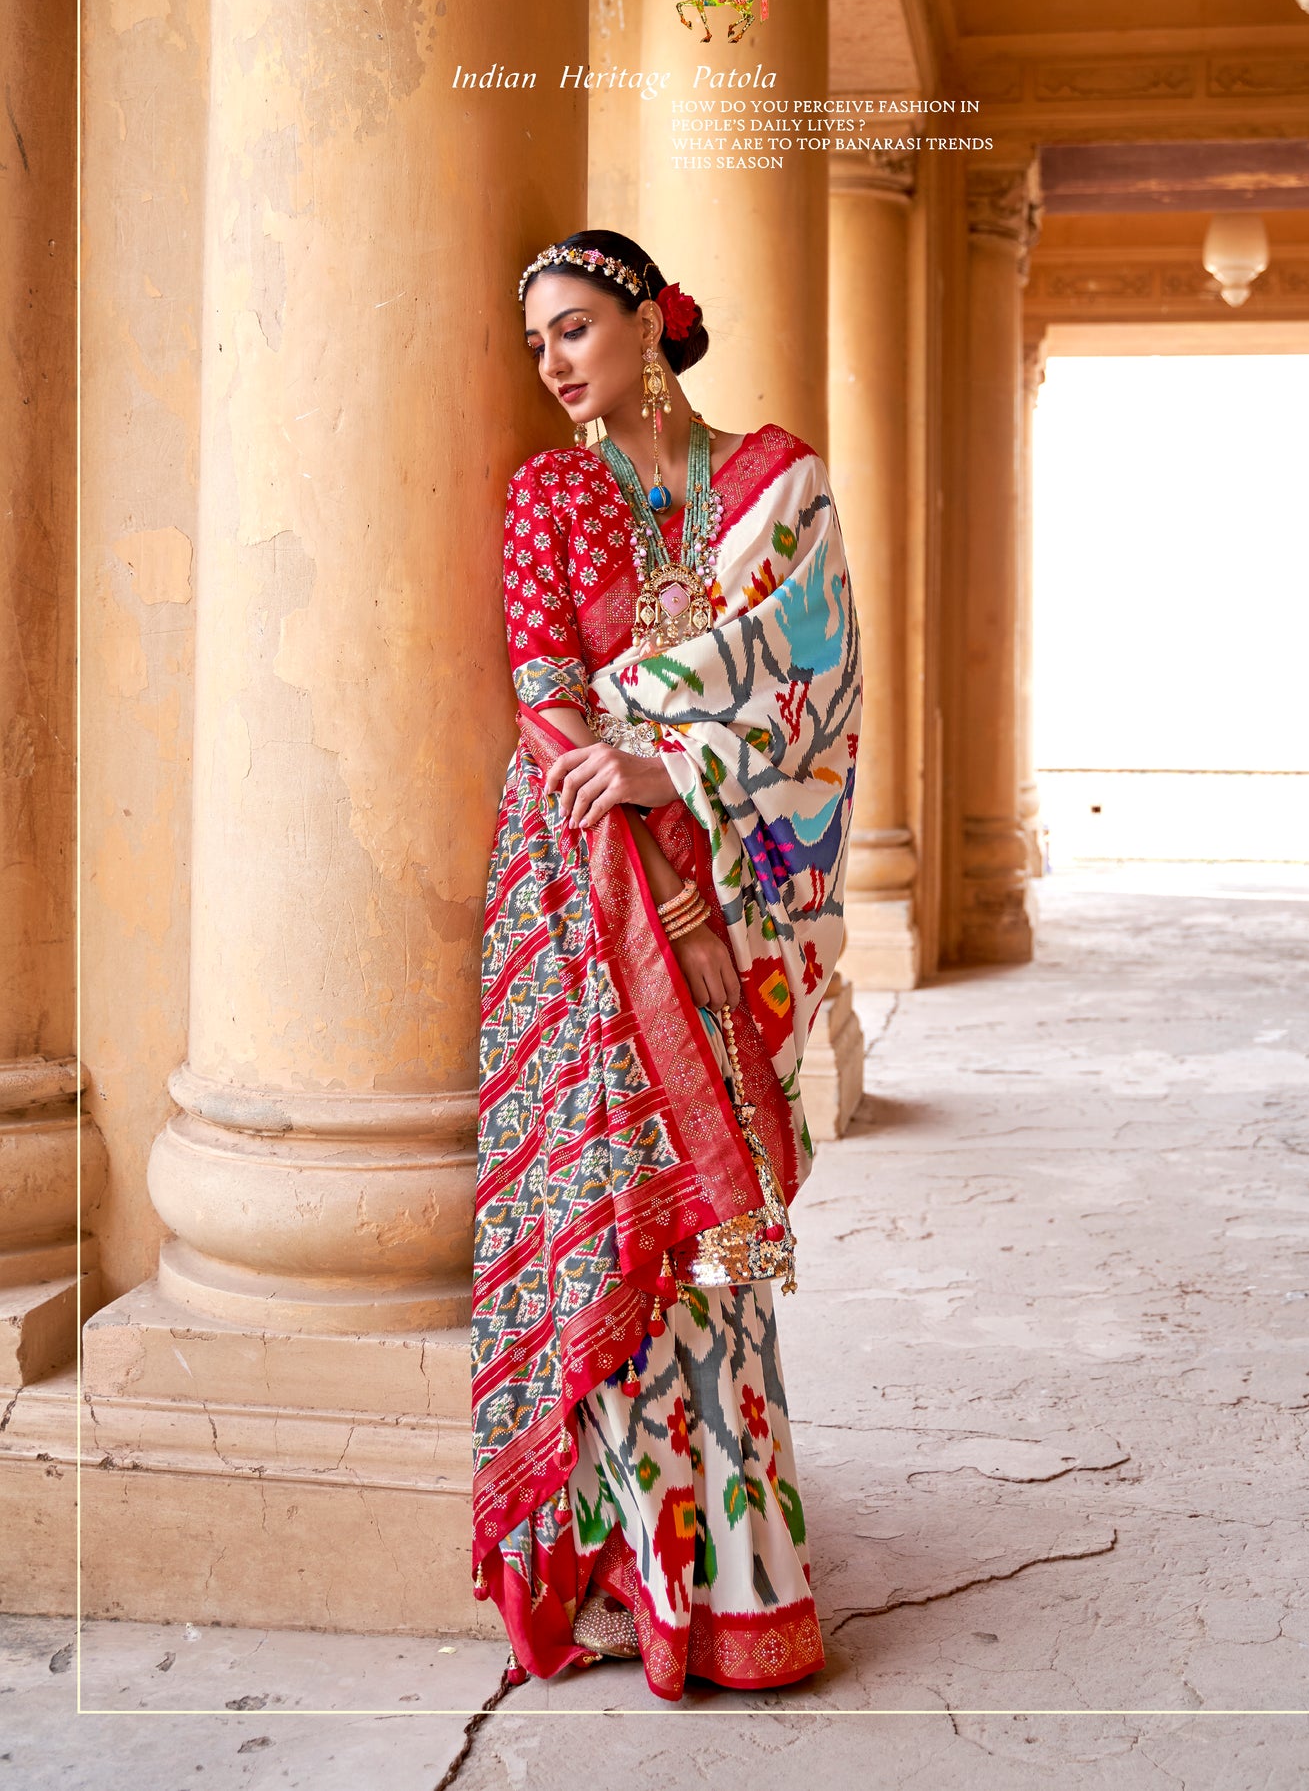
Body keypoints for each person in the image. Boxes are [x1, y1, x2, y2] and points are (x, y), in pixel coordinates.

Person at [470, 228, 860, 1701]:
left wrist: (677, 770)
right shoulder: (547, 493)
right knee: (617, 1223)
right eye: (538, 344)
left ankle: (743, 1579)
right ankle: (631, 1564)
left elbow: (813, 675)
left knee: (714, 1249)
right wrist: (639, 816)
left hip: (724, 891)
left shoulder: (773, 481)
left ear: (649, 322)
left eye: (575, 327)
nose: (557, 362)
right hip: (588, 902)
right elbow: (546, 694)